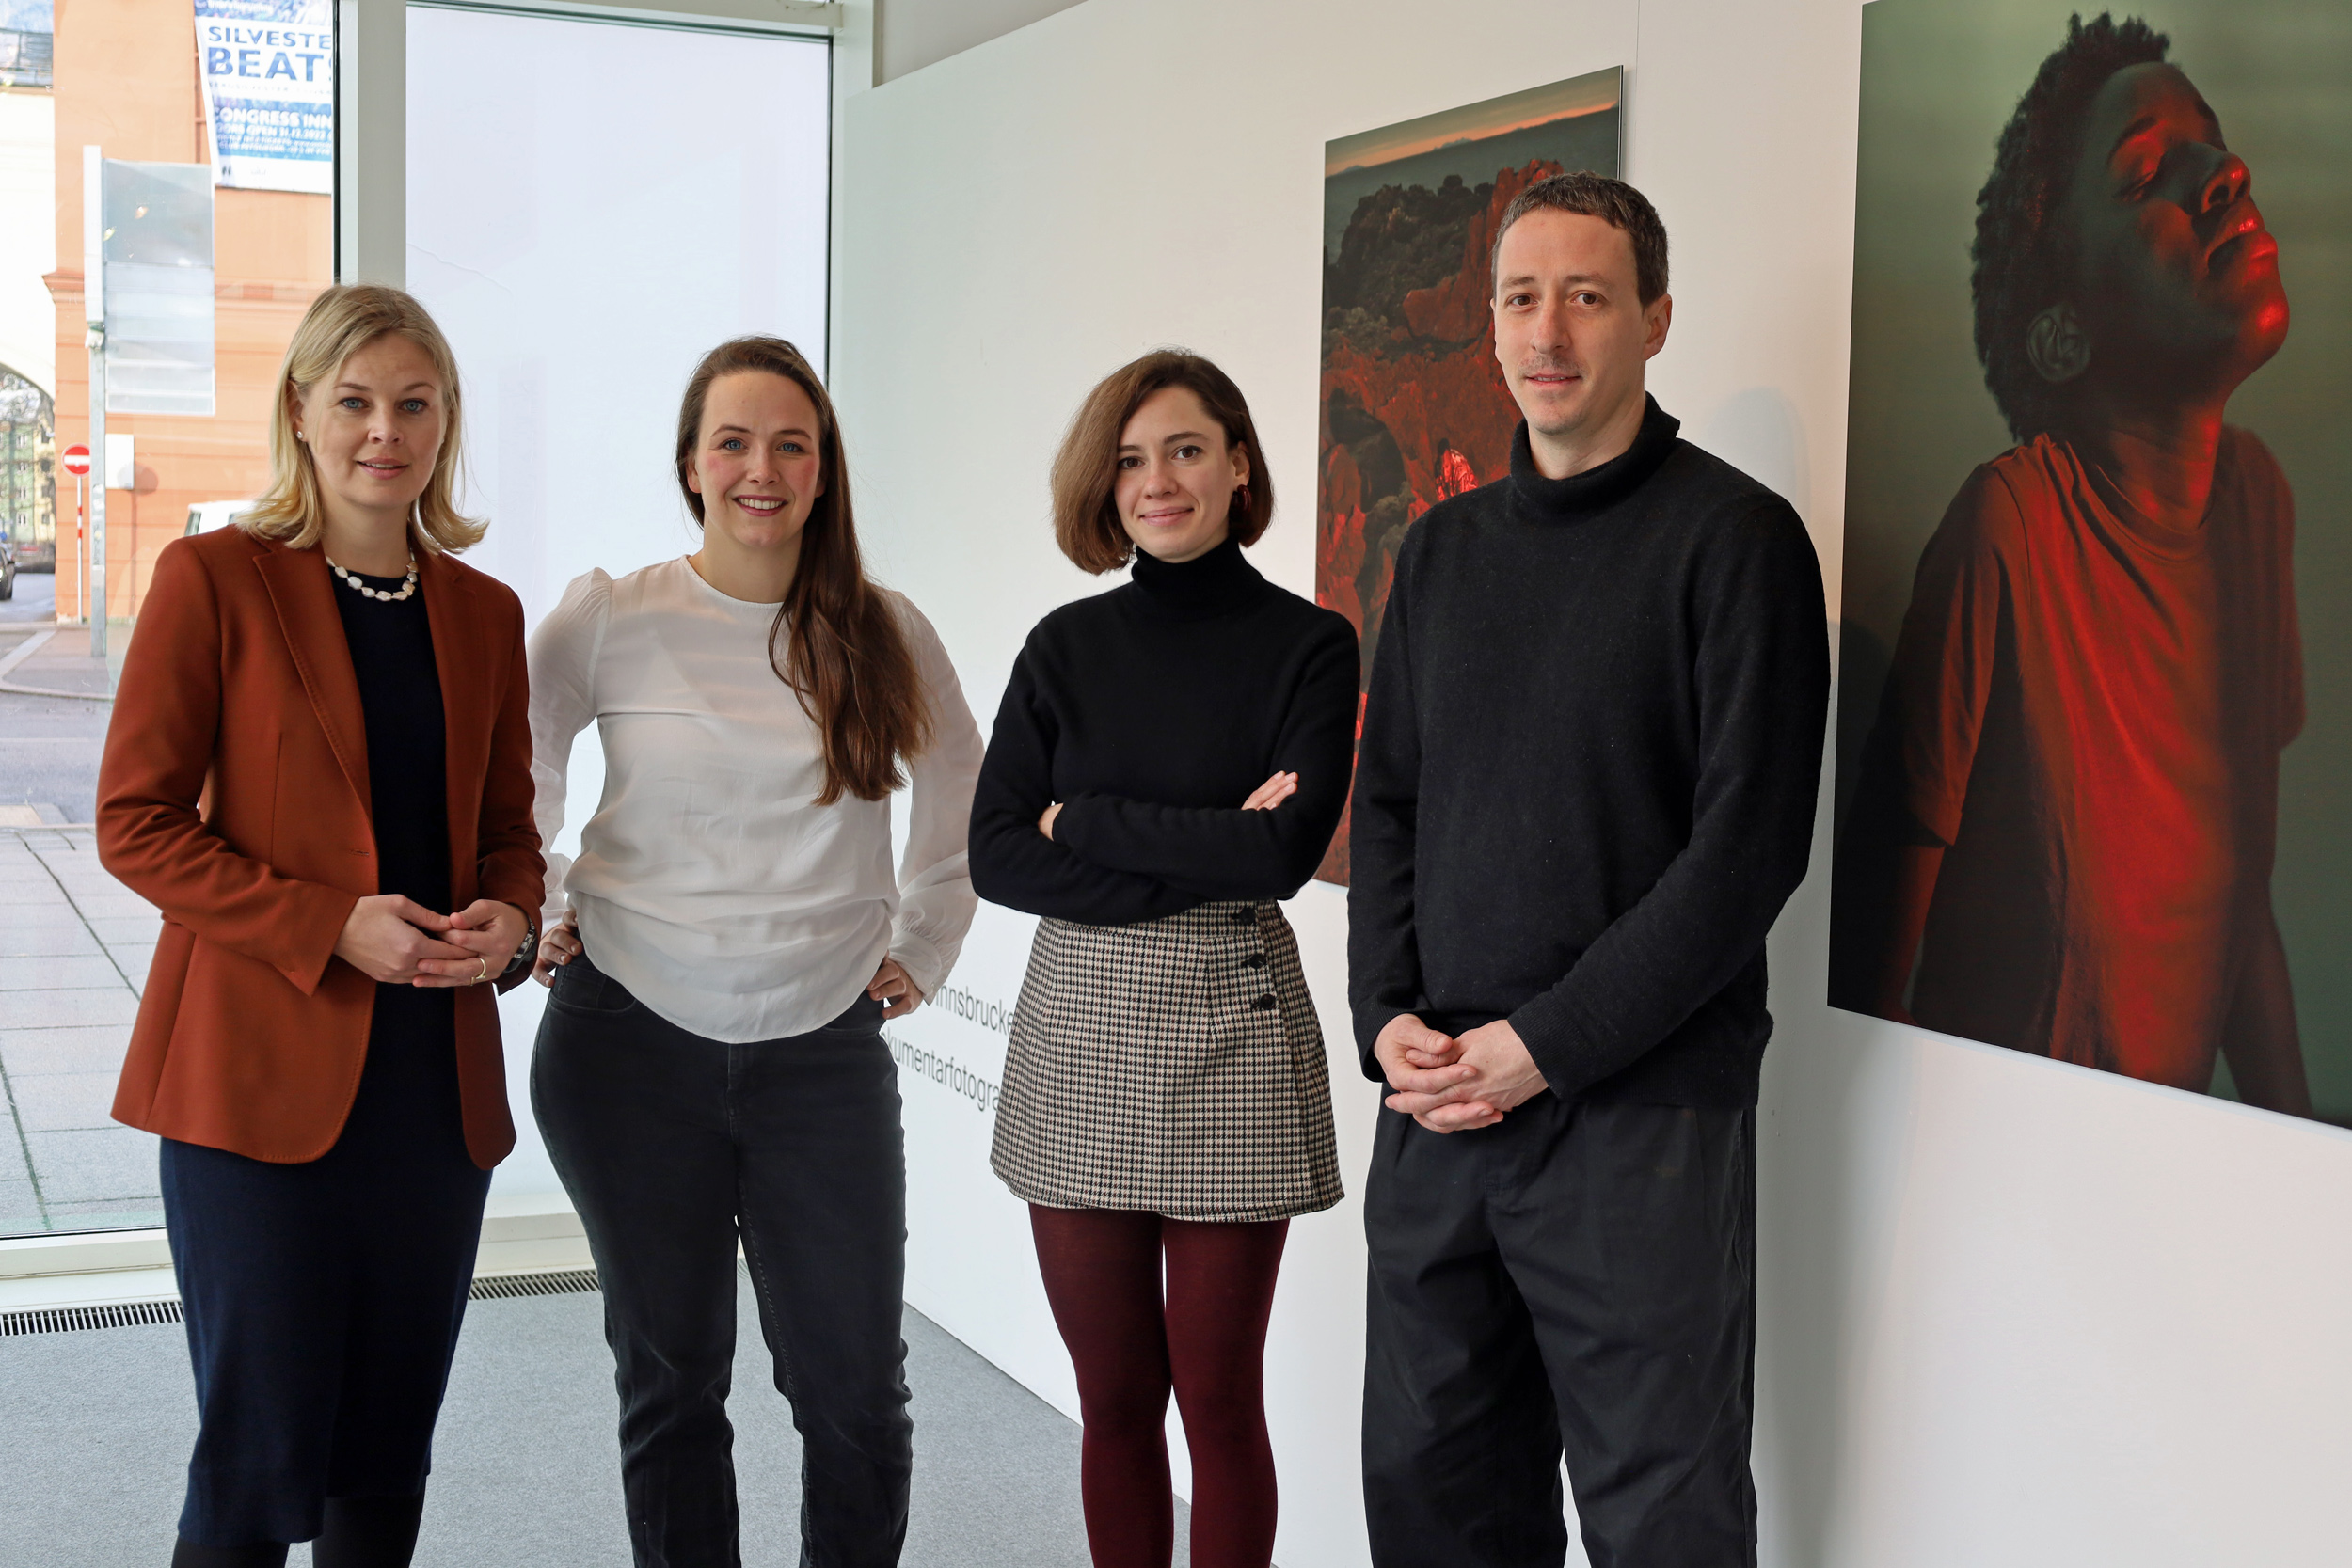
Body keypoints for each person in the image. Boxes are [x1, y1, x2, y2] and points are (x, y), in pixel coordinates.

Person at [1348, 172, 1830, 1565]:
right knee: (1438, 1509)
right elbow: (1390, 807)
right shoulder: (1437, 553)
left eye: (1587, 295)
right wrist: (1388, 1018)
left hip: (1639, 1119)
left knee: (1662, 1518)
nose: (1547, 329)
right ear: (1489, 329)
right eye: (1518, 296)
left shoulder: (1735, 543)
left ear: (1655, 319)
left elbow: (1746, 854)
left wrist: (1542, 1045)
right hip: (1437, 1108)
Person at [97, 284, 543, 1568]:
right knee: (255, 1463)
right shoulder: (214, 578)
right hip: (254, 1089)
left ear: (445, 421)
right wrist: (325, 924)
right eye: (353, 399)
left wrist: (511, 917)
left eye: (413, 403)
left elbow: (508, 827)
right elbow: (135, 819)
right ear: (300, 411)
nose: (383, 430)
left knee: (386, 1459)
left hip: (431, 1098)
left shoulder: (484, 611)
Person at [526, 336, 983, 1568]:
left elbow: (961, 783)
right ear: (690, 462)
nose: (760, 466)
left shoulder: (883, 630)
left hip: (819, 1053)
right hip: (628, 1044)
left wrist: (927, 941)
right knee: (670, 1385)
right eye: (733, 439)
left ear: (825, 468)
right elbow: (518, 761)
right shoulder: (613, 613)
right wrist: (542, 897)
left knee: (854, 1397)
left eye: (792, 441)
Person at [1827, 15, 2308, 1114]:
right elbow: (1873, 979)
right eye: (2148, 172)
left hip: (2155, 1171)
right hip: (2012, 1163)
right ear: (2060, 330)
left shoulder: (2254, 508)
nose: (2223, 171)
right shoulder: (2008, 530)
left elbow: (2239, 910)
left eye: (2213, 138)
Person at [969, 350, 1355, 1568]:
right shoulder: (1065, 645)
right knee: (1117, 1400)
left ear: (1240, 464)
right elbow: (992, 854)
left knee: (1219, 1399)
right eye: (1131, 459)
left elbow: (1283, 854)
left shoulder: (1312, 643)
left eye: (1186, 448)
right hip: (1078, 1031)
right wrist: (1210, 839)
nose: (1159, 480)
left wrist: (1077, 819)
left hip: (1231, 1030)